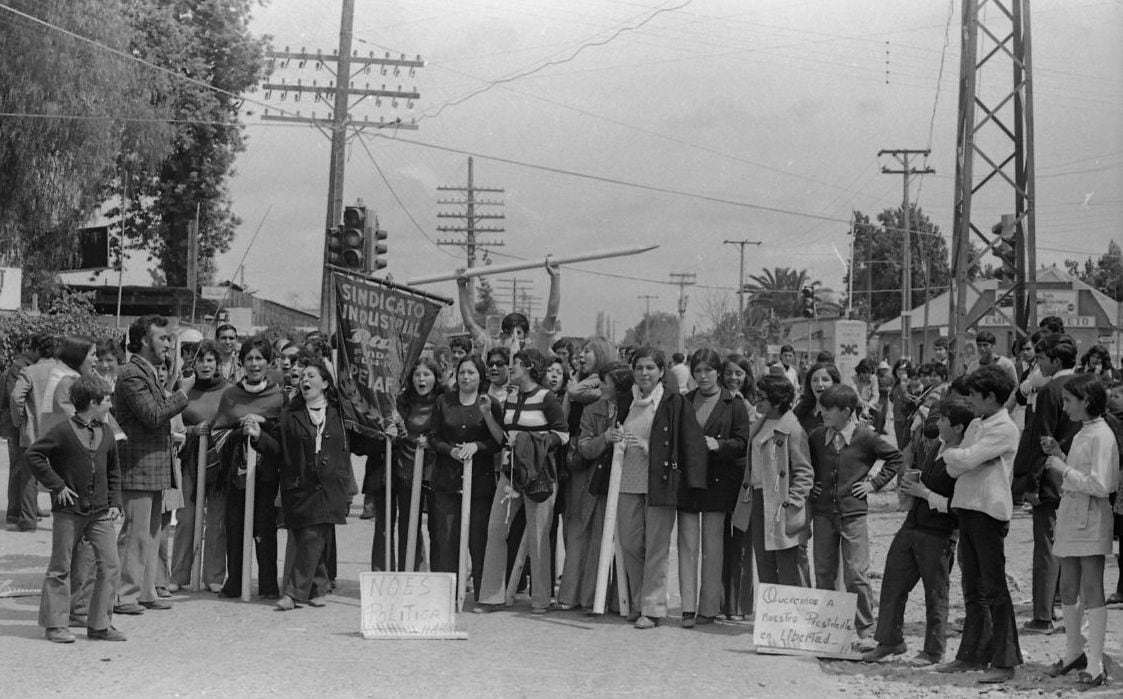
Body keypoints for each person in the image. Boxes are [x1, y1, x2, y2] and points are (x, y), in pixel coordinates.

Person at [602, 346, 707, 629]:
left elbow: (688, 444)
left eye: (650, 368)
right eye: (639, 368)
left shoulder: (674, 402)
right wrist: (611, 435)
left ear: (662, 372)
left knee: (657, 547)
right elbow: (616, 431)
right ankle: (637, 602)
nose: (644, 373)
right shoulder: (627, 401)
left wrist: (650, 449)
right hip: (626, 483)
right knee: (631, 544)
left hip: (659, 484)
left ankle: (652, 608)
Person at [863, 396, 971, 666]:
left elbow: (959, 507)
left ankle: (934, 650)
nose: (937, 423)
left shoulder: (966, 459)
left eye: (943, 419)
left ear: (958, 427)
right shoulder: (937, 446)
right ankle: (889, 640)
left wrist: (923, 492)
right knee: (893, 582)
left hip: (939, 533)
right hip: (913, 525)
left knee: (935, 593)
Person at [935, 365, 1023, 684]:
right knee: (972, 587)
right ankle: (972, 654)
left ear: (990, 396)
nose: (969, 400)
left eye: (974, 395)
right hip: (966, 507)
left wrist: (965, 457)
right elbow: (957, 465)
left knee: (995, 588)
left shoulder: (1005, 428)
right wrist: (964, 457)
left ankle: (1006, 659)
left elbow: (966, 459)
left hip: (988, 510)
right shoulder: (976, 424)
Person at [25, 376, 125, 643]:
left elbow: (114, 470)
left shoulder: (106, 432)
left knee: (111, 565)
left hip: (100, 512)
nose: (110, 404)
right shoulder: (62, 431)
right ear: (92, 402)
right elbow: (33, 455)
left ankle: (100, 625)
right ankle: (55, 625)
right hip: (68, 512)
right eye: (107, 400)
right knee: (61, 567)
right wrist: (57, 486)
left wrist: (116, 502)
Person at [254, 361, 354, 611]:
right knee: (307, 535)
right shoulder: (290, 415)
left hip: (330, 485)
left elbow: (361, 441)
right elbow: (278, 449)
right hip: (299, 484)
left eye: (312, 375)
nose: (305, 380)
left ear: (326, 383)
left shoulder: (341, 414)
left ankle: (294, 593)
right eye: (303, 376)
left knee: (314, 534)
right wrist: (258, 437)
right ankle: (317, 588)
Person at [808, 384, 902, 648]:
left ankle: (866, 629)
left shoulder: (865, 437)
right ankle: (828, 628)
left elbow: (895, 457)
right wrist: (813, 483)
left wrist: (874, 484)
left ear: (847, 411)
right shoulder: (816, 438)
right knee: (824, 571)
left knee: (855, 573)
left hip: (853, 514)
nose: (822, 412)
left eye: (829, 409)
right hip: (823, 514)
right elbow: (806, 465)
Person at [1040, 374, 1119, 688]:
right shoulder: (1083, 432)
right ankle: (1074, 652)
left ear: (1086, 401)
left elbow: (1103, 484)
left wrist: (1063, 469)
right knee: (1069, 588)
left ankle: (1096, 663)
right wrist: (1060, 455)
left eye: (1070, 400)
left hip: (1091, 518)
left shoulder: (1102, 435)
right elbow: (1081, 474)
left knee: (1091, 590)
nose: (1065, 406)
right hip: (1073, 514)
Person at [475, 349, 568, 615]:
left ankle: (540, 600)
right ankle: (491, 597)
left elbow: (562, 436)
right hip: (510, 473)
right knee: (495, 530)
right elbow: (504, 439)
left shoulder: (546, 398)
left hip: (539, 475)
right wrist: (488, 415)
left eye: (513, 364)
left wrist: (529, 443)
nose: (509, 369)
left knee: (539, 537)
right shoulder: (513, 397)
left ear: (527, 367)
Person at [112, 315, 193, 615]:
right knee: (135, 533)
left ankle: (144, 591)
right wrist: (183, 393)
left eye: (170, 339)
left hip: (154, 466)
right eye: (163, 339)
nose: (169, 345)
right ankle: (123, 595)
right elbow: (153, 415)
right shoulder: (131, 374)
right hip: (137, 466)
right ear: (144, 340)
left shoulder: (150, 373)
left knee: (152, 534)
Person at [677, 349, 750, 628]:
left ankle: (708, 608)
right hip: (688, 484)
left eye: (708, 370)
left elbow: (743, 443)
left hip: (719, 484)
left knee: (713, 548)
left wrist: (719, 446)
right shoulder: (684, 402)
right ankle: (686, 607)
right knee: (687, 546)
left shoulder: (734, 404)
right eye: (698, 371)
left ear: (718, 372)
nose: (703, 376)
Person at [1012, 334, 1079, 634]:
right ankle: (1067, 606)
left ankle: (1042, 614)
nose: (1037, 364)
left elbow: (1041, 439)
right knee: (1072, 547)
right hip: (1078, 477)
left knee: (1047, 547)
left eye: (1041, 359)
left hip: (1050, 479)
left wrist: (1031, 482)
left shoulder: (1051, 390)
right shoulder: (1086, 384)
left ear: (1054, 360)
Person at [212, 336, 284, 600]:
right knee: (235, 526)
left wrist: (262, 425)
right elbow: (217, 433)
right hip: (236, 473)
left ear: (269, 363)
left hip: (266, 475)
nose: (255, 364)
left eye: (260, 358)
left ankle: (267, 583)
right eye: (250, 359)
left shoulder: (278, 396)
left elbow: (283, 438)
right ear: (242, 362)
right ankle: (236, 581)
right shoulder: (230, 395)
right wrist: (239, 431)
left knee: (265, 529)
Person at [428, 355, 504, 599]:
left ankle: (483, 593)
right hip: (447, 481)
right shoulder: (443, 402)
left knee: (478, 539)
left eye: (471, 372)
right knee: (446, 539)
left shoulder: (489, 403)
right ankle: (446, 594)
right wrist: (450, 450)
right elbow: (433, 437)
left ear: (480, 376)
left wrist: (477, 446)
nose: (466, 377)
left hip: (479, 484)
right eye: (462, 372)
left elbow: (498, 441)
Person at [731, 373, 813, 588]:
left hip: (781, 503)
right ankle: (773, 617)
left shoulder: (793, 429)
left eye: (762, 396)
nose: (757, 399)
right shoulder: (760, 423)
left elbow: (804, 472)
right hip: (758, 499)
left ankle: (795, 617)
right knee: (764, 561)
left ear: (777, 401)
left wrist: (792, 503)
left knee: (788, 563)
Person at [169, 340, 229, 593]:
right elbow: (172, 421)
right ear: (193, 363)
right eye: (201, 360)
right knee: (186, 519)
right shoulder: (184, 388)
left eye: (210, 360)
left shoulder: (229, 391)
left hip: (220, 463)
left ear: (217, 364)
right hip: (189, 461)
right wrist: (193, 431)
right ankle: (179, 575)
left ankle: (214, 575)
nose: (205, 365)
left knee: (217, 520)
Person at [572, 361, 633, 612]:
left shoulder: (634, 409)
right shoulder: (592, 410)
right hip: (599, 482)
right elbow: (584, 448)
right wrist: (605, 438)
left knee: (628, 541)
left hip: (629, 481)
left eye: (605, 382)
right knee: (596, 540)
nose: (600, 386)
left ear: (618, 386)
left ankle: (623, 601)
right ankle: (590, 598)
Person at [372, 358, 443, 571]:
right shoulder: (402, 401)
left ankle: (438, 574)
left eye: (426, 374)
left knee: (437, 527)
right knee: (407, 523)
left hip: (435, 468)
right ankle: (407, 571)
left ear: (435, 378)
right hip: (407, 468)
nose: (421, 379)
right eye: (417, 375)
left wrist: (432, 441)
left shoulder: (444, 400)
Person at [5, 334, 54, 531]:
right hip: (59, 431)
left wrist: (19, 421)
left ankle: (27, 520)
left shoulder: (29, 371)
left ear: (36, 349)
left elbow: (16, 398)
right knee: (57, 473)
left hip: (33, 431)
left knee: (29, 477)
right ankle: (63, 518)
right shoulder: (65, 372)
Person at [457, 264, 561, 355]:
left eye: (518, 333)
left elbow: (551, 317)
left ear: (526, 336)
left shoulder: (534, 351)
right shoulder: (494, 349)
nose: (514, 338)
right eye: (509, 333)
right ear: (502, 337)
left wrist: (555, 277)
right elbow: (470, 324)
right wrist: (461, 286)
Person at [792, 361, 842, 436]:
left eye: (825, 380)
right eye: (815, 380)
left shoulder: (842, 411)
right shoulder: (800, 410)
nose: (820, 384)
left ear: (834, 383)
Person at [889, 359, 915, 449]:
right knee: (900, 444)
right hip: (897, 417)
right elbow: (892, 398)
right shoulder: (896, 384)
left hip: (906, 419)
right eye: (898, 369)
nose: (901, 372)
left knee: (906, 445)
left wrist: (904, 387)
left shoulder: (911, 383)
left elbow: (909, 400)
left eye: (904, 370)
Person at [852, 358, 878, 424]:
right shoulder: (853, 379)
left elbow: (875, 396)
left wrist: (867, 407)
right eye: (864, 373)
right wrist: (863, 405)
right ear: (860, 372)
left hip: (870, 406)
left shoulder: (874, 378)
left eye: (869, 373)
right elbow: (855, 394)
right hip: (857, 407)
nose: (867, 375)